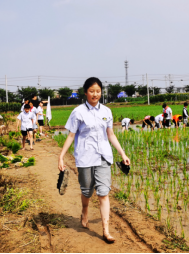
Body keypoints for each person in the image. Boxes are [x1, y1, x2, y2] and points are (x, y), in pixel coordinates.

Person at [58, 77, 131, 243]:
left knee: (103, 193)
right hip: (85, 157)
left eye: (98, 91)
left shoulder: (106, 111)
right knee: (86, 191)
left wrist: (122, 154)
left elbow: (110, 134)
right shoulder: (78, 112)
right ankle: (85, 210)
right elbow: (71, 135)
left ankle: (106, 230)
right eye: (92, 91)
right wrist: (61, 156)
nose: (95, 94)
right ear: (86, 92)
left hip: (103, 157)